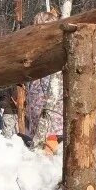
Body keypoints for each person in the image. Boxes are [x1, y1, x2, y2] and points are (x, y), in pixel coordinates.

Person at [24, 10, 64, 149]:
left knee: (51, 140)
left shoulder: (58, 48)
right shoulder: (34, 49)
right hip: (41, 106)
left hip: (54, 110)